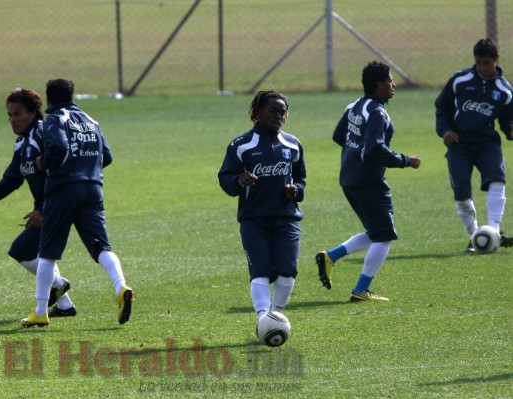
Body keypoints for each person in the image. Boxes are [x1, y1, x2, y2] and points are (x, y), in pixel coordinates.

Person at [20, 79, 133, 327]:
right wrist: (86, 168)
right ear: (73, 95)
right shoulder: (91, 120)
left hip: (63, 190)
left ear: (49, 100)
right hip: (94, 189)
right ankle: (121, 286)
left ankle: (40, 311)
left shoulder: (53, 119)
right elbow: (107, 156)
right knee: (101, 246)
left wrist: (42, 162)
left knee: (48, 253)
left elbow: (58, 148)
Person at [316, 61, 421, 302]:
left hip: (349, 178)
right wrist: (405, 160)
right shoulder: (377, 113)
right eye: (390, 81)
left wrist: (355, 154)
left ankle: (330, 257)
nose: (394, 85)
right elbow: (375, 148)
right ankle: (361, 290)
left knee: (376, 232)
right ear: (379, 85)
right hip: (369, 182)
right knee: (384, 235)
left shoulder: (355, 105)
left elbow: (338, 135)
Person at [0, 88, 76, 317]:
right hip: (48, 206)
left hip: (59, 204)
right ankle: (65, 305)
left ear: (33, 112)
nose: (12, 120)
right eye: (9, 115)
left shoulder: (44, 135)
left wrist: (43, 209)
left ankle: (60, 285)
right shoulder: (21, 143)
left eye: (18, 114)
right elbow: (12, 179)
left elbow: (60, 173)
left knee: (21, 249)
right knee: (44, 253)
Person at [218, 88, 306, 321]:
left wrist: (296, 190)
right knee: (260, 271)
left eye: (282, 112)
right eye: (272, 111)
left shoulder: (293, 145)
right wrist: (238, 179)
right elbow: (225, 178)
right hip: (253, 220)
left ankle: (274, 317)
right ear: (257, 113)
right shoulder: (241, 145)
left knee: (288, 271)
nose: (278, 116)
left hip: (287, 219)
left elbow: (301, 178)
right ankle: (262, 318)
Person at [435, 38, 513, 252]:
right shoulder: (460, 80)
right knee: (461, 192)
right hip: (459, 144)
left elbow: (507, 120)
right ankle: (476, 236)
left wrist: (510, 129)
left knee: (498, 179)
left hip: (488, 143)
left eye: (486, 63)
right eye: (478, 63)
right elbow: (442, 107)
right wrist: (445, 130)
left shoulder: (505, 90)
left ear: (496, 59)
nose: (481, 67)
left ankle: (494, 232)